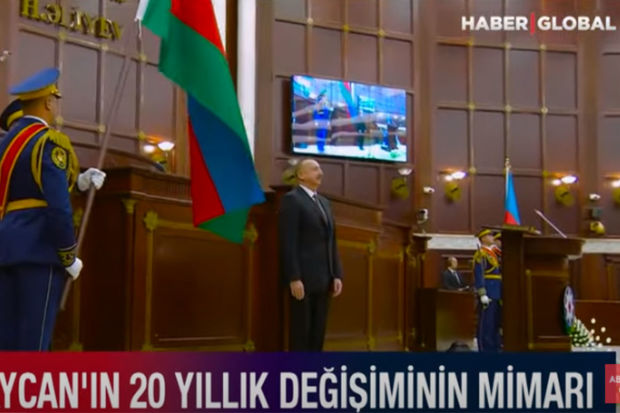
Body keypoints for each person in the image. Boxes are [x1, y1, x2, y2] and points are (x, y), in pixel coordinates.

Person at [0, 67, 106, 350]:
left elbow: (23, 186)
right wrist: (68, 256)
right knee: (34, 344)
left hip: (6, 247)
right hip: (39, 250)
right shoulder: (48, 141)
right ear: (48, 102)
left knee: (7, 341)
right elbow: (57, 207)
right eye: (55, 100)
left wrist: (79, 182)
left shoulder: (5, 144)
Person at [278, 158, 343, 351]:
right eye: (314, 169)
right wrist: (294, 277)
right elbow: (288, 241)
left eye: (320, 169)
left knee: (318, 332)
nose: (320, 172)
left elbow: (331, 240)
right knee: (301, 332)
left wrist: (336, 274)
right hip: (303, 280)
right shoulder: (292, 200)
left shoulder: (324, 202)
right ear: (301, 174)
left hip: (324, 279)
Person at [473, 229, 502, 352]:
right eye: (489, 235)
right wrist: (482, 292)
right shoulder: (481, 254)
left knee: (495, 321)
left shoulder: (494, 253)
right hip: (488, 290)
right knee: (487, 321)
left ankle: (495, 345)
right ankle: (485, 347)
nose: (492, 237)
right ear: (483, 238)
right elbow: (479, 274)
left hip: (497, 291)